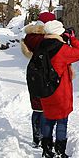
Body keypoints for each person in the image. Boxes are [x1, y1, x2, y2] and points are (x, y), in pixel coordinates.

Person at [36, 20, 79, 158]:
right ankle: (59, 152)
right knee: (61, 122)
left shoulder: (41, 46)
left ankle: (46, 149)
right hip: (60, 92)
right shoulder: (62, 50)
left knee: (47, 120)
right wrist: (72, 38)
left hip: (45, 91)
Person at [21, 11, 56, 147]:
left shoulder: (30, 37)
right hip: (45, 73)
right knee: (45, 108)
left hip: (33, 73)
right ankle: (44, 137)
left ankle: (37, 138)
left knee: (37, 108)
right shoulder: (47, 38)